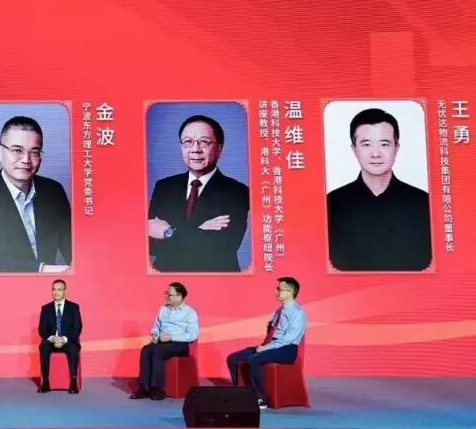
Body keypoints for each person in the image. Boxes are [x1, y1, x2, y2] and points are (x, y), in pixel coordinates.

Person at [327, 108, 432, 271]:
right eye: (366, 144)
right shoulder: (332, 203)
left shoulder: (423, 203)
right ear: (354, 149)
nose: (375, 154)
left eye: (384, 144)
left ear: (396, 147)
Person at [147, 115, 249, 272]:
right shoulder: (164, 187)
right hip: (167, 277)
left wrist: (168, 232)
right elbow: (150, 244)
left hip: (216, 279)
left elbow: (220, 248)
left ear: (219, 149)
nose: (195, 149)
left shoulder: (238, 192)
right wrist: (200, 231)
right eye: (188, 142)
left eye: (204, 142)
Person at [0, 116, 72, 273]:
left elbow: (74, 249)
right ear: (0, 152)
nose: (26, 160)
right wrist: (43, 269)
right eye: (17, 150)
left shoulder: (53, 191)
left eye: (35, 152)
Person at [226, 277, 307, 410]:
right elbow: (272, 330)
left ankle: (260, 399)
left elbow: (289, 339)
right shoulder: (280, 310)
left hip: (287, 349)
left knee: (253, 359)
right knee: (233, 358)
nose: (276, 292)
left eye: (279, 289)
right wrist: (265, 344)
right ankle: (242, 392)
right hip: (272, 345)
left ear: (290, 292)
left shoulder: (298, 313)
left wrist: (266, 348)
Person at [130, 282, 199, 400]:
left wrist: (171, 337)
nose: (166, 296)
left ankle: (157, 388)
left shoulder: (190, 313)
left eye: (169, 294)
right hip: (162, 342)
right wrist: (155, 333)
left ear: (179, 296)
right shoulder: (163, 309)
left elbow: (192, 335)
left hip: (180, 344)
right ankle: (144, 387)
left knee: (157, 350)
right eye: (166, 293)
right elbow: (156, 326)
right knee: (146, 349)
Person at [37, 279, 82, 394]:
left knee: (73, 347)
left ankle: (73, 382)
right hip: (52, 340)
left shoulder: (73, 307)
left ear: (65, 292)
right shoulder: (46, 308)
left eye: (59, 290)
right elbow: (42, 330)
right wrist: (53, 338)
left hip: (67, 340)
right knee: (44, 347)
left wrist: (64, 339)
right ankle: (45, 382)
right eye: (54, 290)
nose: (56, 292)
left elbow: (77, 328)